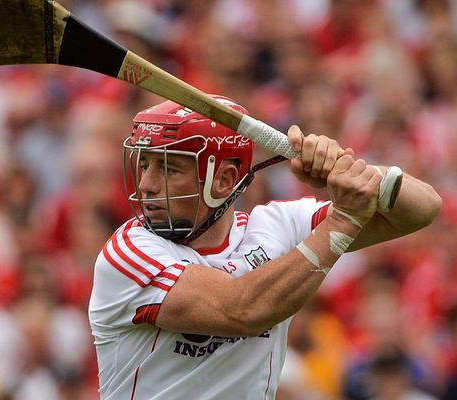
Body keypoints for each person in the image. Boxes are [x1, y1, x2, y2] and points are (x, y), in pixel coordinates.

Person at [88, 95, 442, 399]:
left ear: (224, 180)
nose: (147, 184)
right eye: (145, 164)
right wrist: (343, 222)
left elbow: (421, 207)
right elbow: (241, 310)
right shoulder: (128, 254)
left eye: (168, 169)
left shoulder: (277, 226)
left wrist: (347, 170)